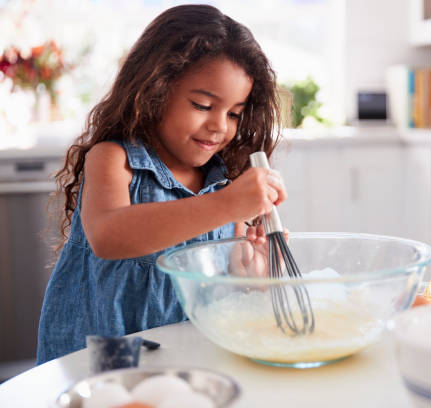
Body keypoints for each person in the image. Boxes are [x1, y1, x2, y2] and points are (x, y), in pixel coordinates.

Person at [36, 4, 286, 364]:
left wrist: (254, 274)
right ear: (155, 90)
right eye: (202, 105)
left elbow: (224, 296)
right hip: (102, 360)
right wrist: (229, 204)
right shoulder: (113, 159)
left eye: (233, 113)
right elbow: (109, 236)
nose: (220, 126)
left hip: (187, 360)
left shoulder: (222, 185)